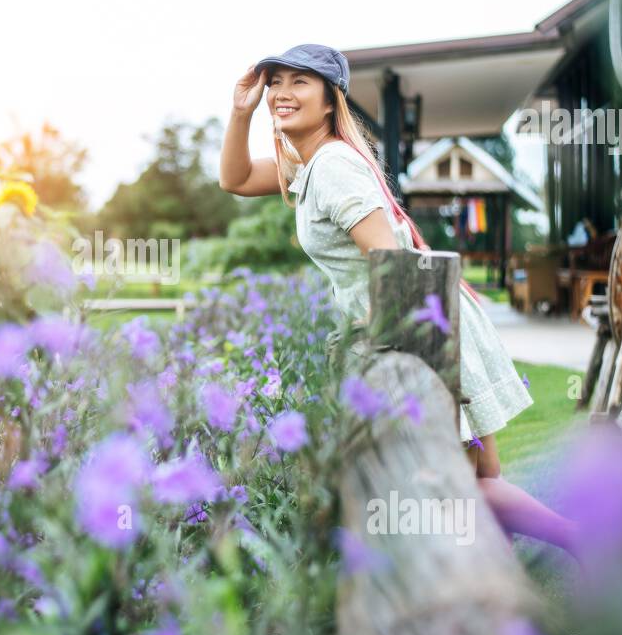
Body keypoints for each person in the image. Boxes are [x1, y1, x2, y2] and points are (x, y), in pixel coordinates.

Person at [218, 43, 580, 561]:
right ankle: (502, 583)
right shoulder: (311, 168)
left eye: (300, 82)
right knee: (476, 476)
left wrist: (374, 335)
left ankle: (558, 548)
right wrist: (240, 111)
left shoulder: (333, 167)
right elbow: (233, 178)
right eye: (275, 81)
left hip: (417, 320)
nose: (280, 92)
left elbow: (391, 260)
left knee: (448, 482)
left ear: (329, 102)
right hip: (427, 311)